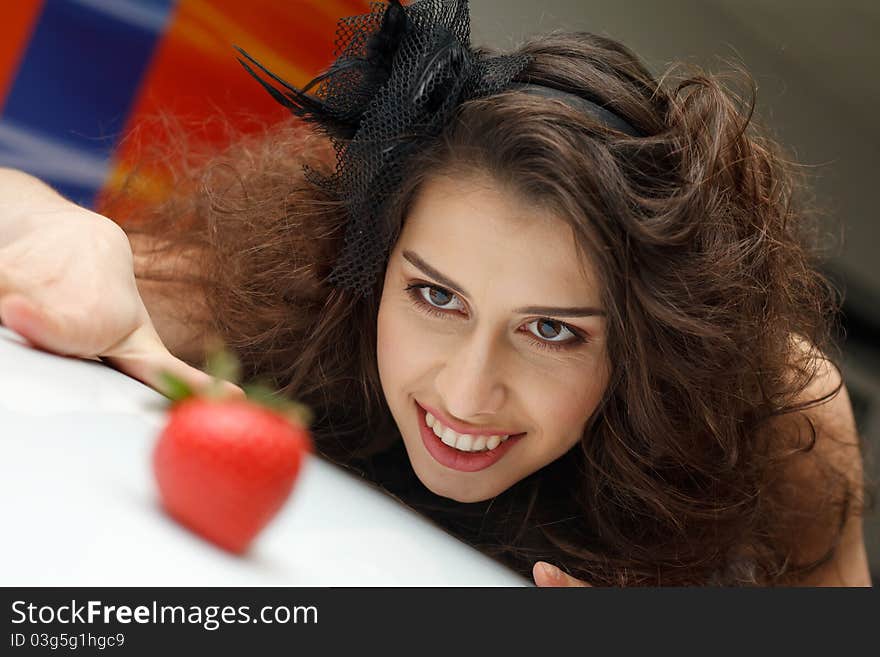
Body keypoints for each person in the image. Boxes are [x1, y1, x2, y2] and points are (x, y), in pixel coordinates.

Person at [0, 0, 871, 586]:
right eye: (435, 298)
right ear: (372, 263)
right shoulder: (289, 286)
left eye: (552, 330)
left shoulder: (775, 419)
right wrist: (50, 227)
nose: (464, 393)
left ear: (657, 342)